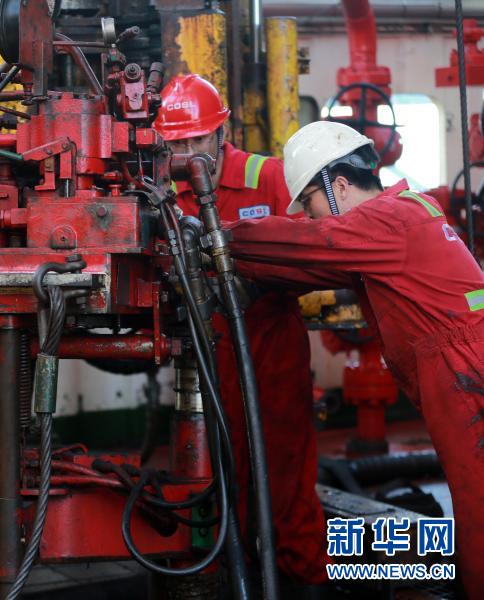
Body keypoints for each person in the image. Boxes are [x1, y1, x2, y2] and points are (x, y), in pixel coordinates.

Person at [226, 120, 484, 592]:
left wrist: (220, 237)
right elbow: (316, 261)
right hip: (463, 368)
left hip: (466, 374)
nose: (311, 216)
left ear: (339, 185)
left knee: (479, 511)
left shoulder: (389, 219)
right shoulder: (403, 212)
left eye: (310, 204)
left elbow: (309, 243)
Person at [154, 74, 329, 584]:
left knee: (284, 473)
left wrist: (258, 283)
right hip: (204, 358)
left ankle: (301, 576)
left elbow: (313, 252)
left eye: (198, 140)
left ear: (221, 132)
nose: (189, 153)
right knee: (220, 474)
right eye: (177, 143)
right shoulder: (161, 191)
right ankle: (238, 568)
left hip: (269, 349)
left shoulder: (268, 177)